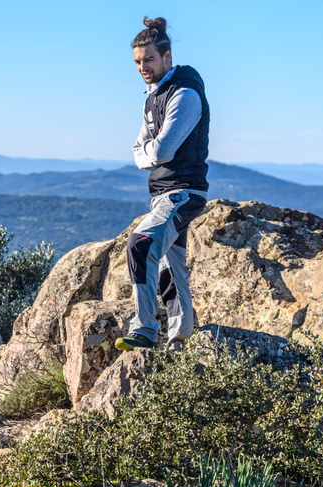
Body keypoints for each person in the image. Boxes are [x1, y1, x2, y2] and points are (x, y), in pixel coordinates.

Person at [115, 17, 210, 352]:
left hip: (183, 192)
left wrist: (150, 152)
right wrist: (149, 152)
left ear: (167, 56)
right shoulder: (152, 98)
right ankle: (180, 340)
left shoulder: (184, 94)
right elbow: (139, 151)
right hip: (163, 194)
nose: (142, 66)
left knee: (140, 245)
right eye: (138, 61)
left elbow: (161, 149)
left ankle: (144, 328)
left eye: (149, 59)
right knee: (172, 268)